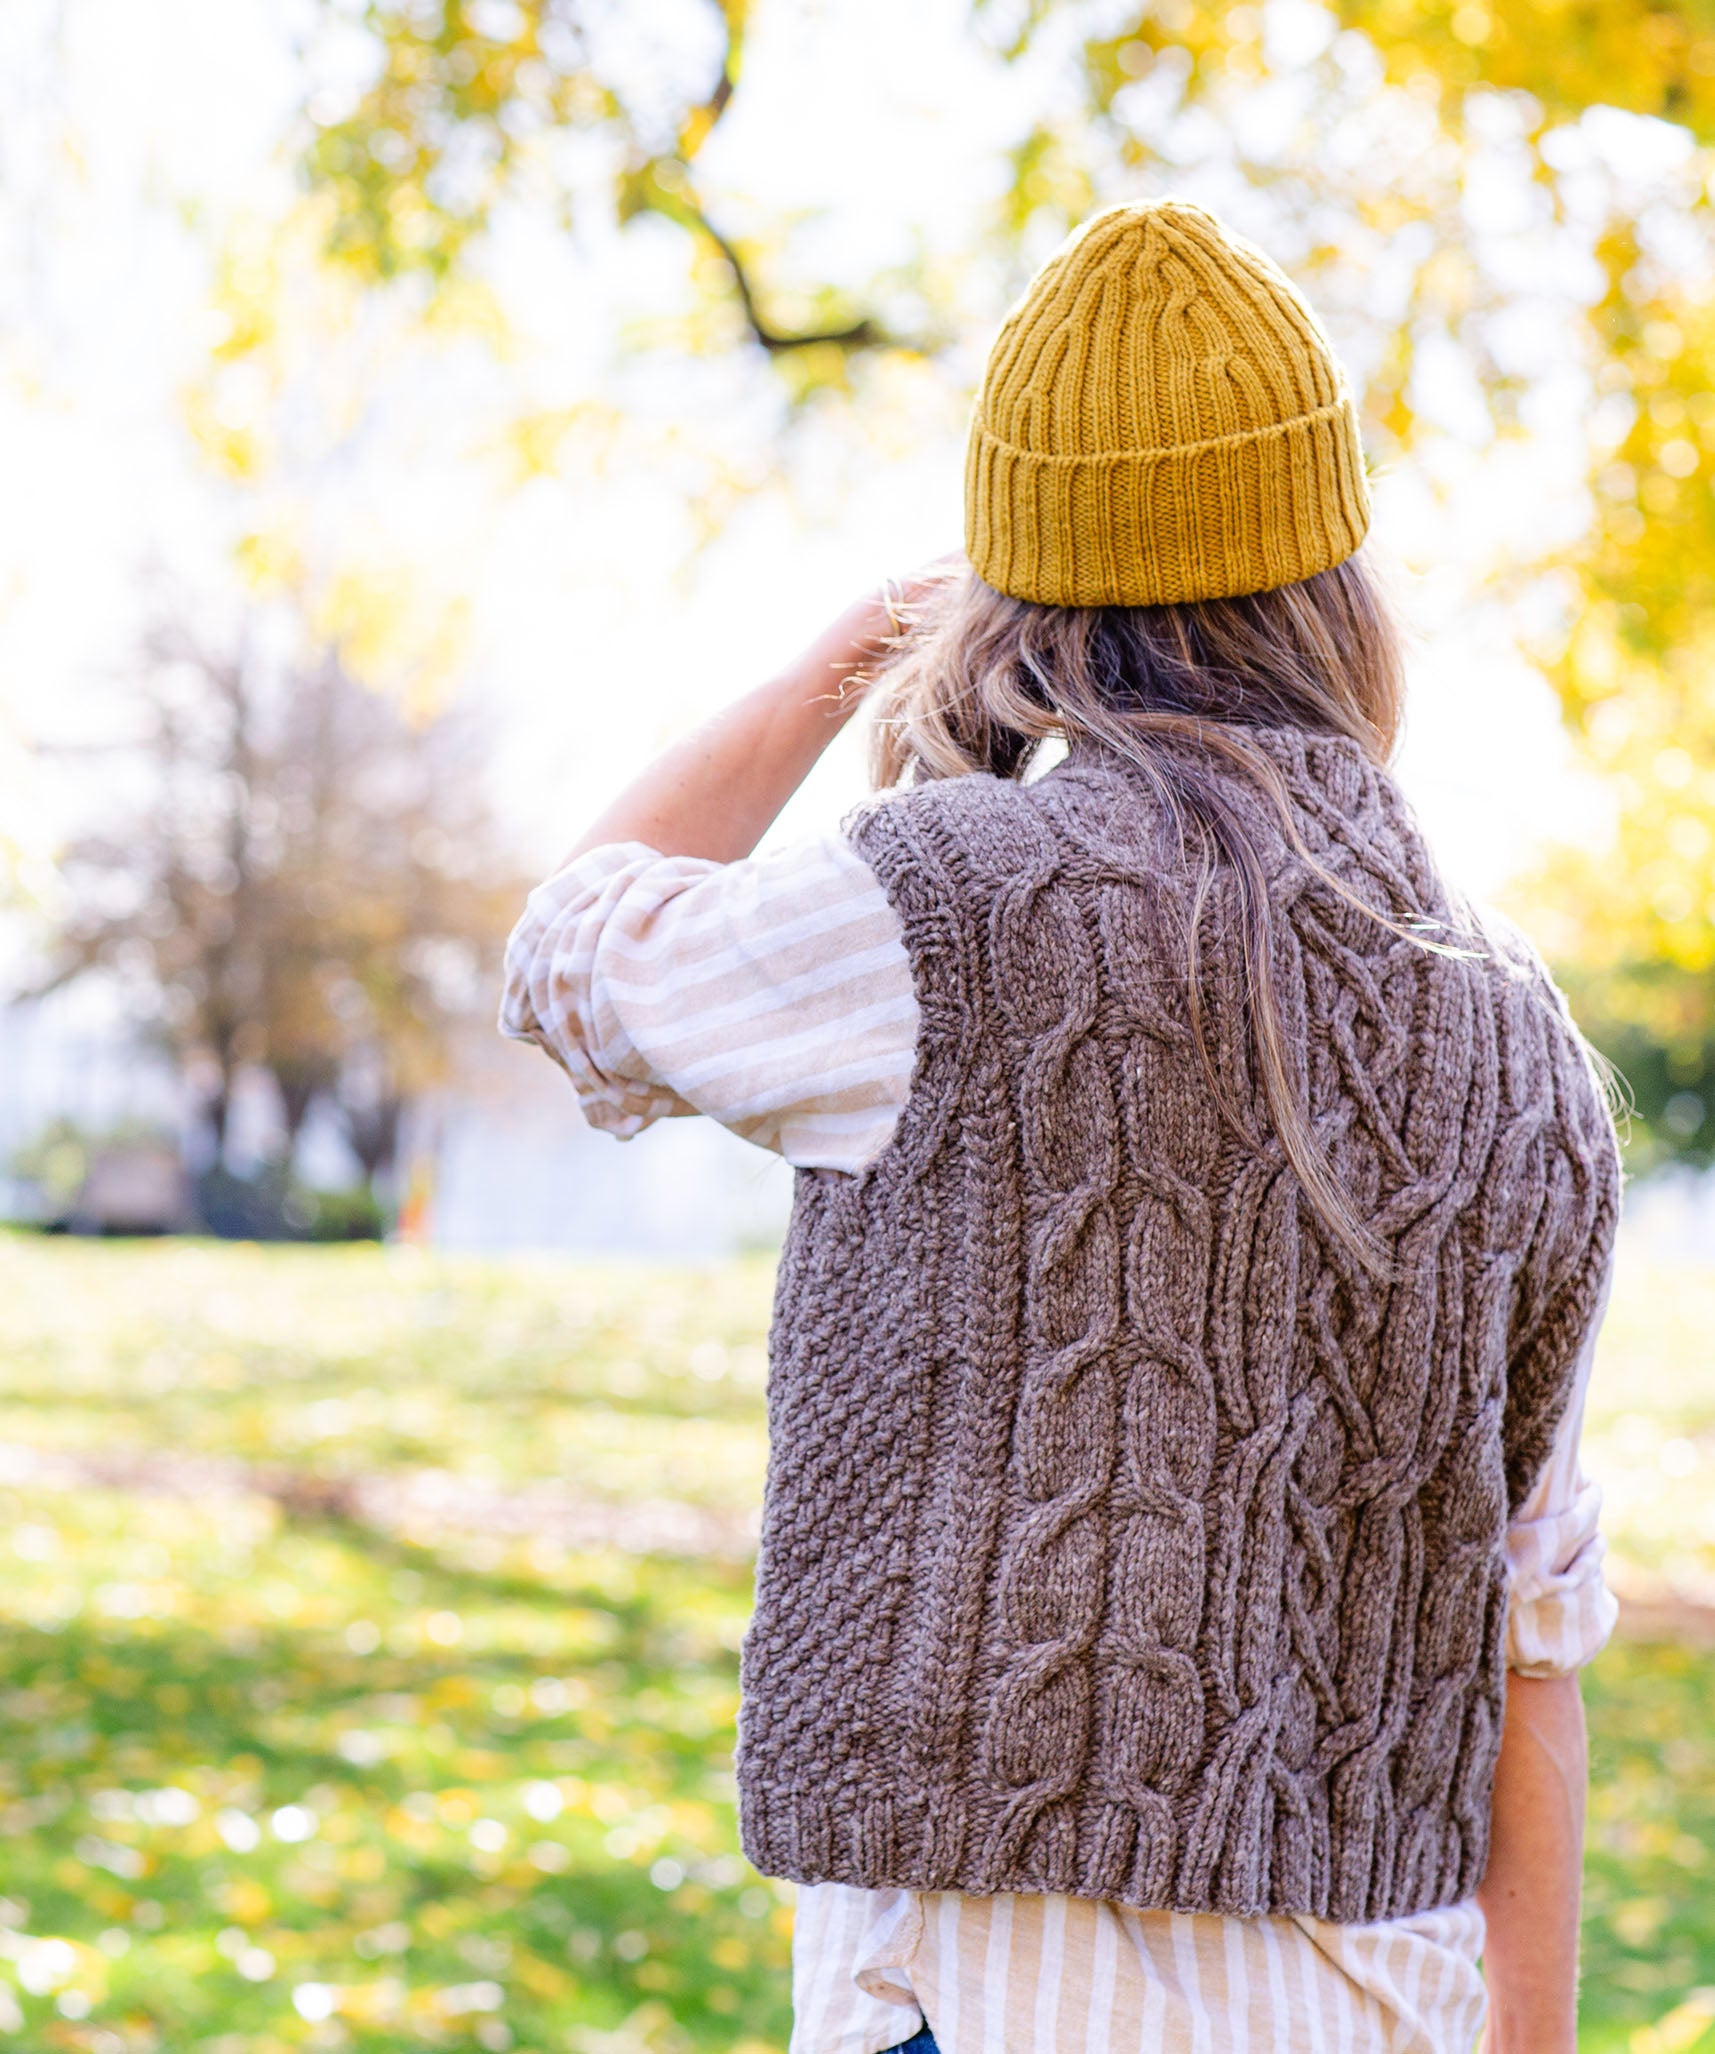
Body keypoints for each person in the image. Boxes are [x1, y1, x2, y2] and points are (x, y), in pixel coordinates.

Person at [500, 199, 1622, 2054]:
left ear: (1019, 592)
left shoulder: (938, 915)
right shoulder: (1521, 1042)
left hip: (985, 2005)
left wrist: (851, 644)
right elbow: (1536, 1646)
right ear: (1336, 577)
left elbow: (571, 956)